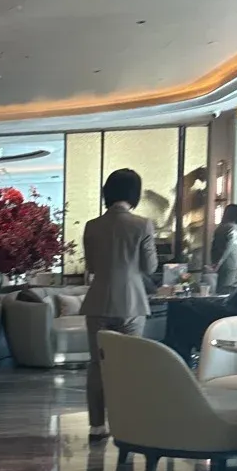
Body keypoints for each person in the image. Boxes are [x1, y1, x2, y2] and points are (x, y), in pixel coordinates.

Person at [81, 168, 157, 439]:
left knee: (97, 365)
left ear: (107, 192)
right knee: (130, 364)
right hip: (132, 304)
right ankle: (128, 423)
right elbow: (150, 267)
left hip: (98, 302)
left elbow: (91, 266)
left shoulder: (92, 226)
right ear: (134, 194)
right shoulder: (143, 225)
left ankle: (97, 425)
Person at [211, 203, 237, 294]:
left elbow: (214, 247)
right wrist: (219, 262)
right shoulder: (233, 228)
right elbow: (229, 247)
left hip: (221, 265)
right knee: (228, 291)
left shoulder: (219, 228)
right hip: (231, 264)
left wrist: (215, 262)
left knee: (221, 289)